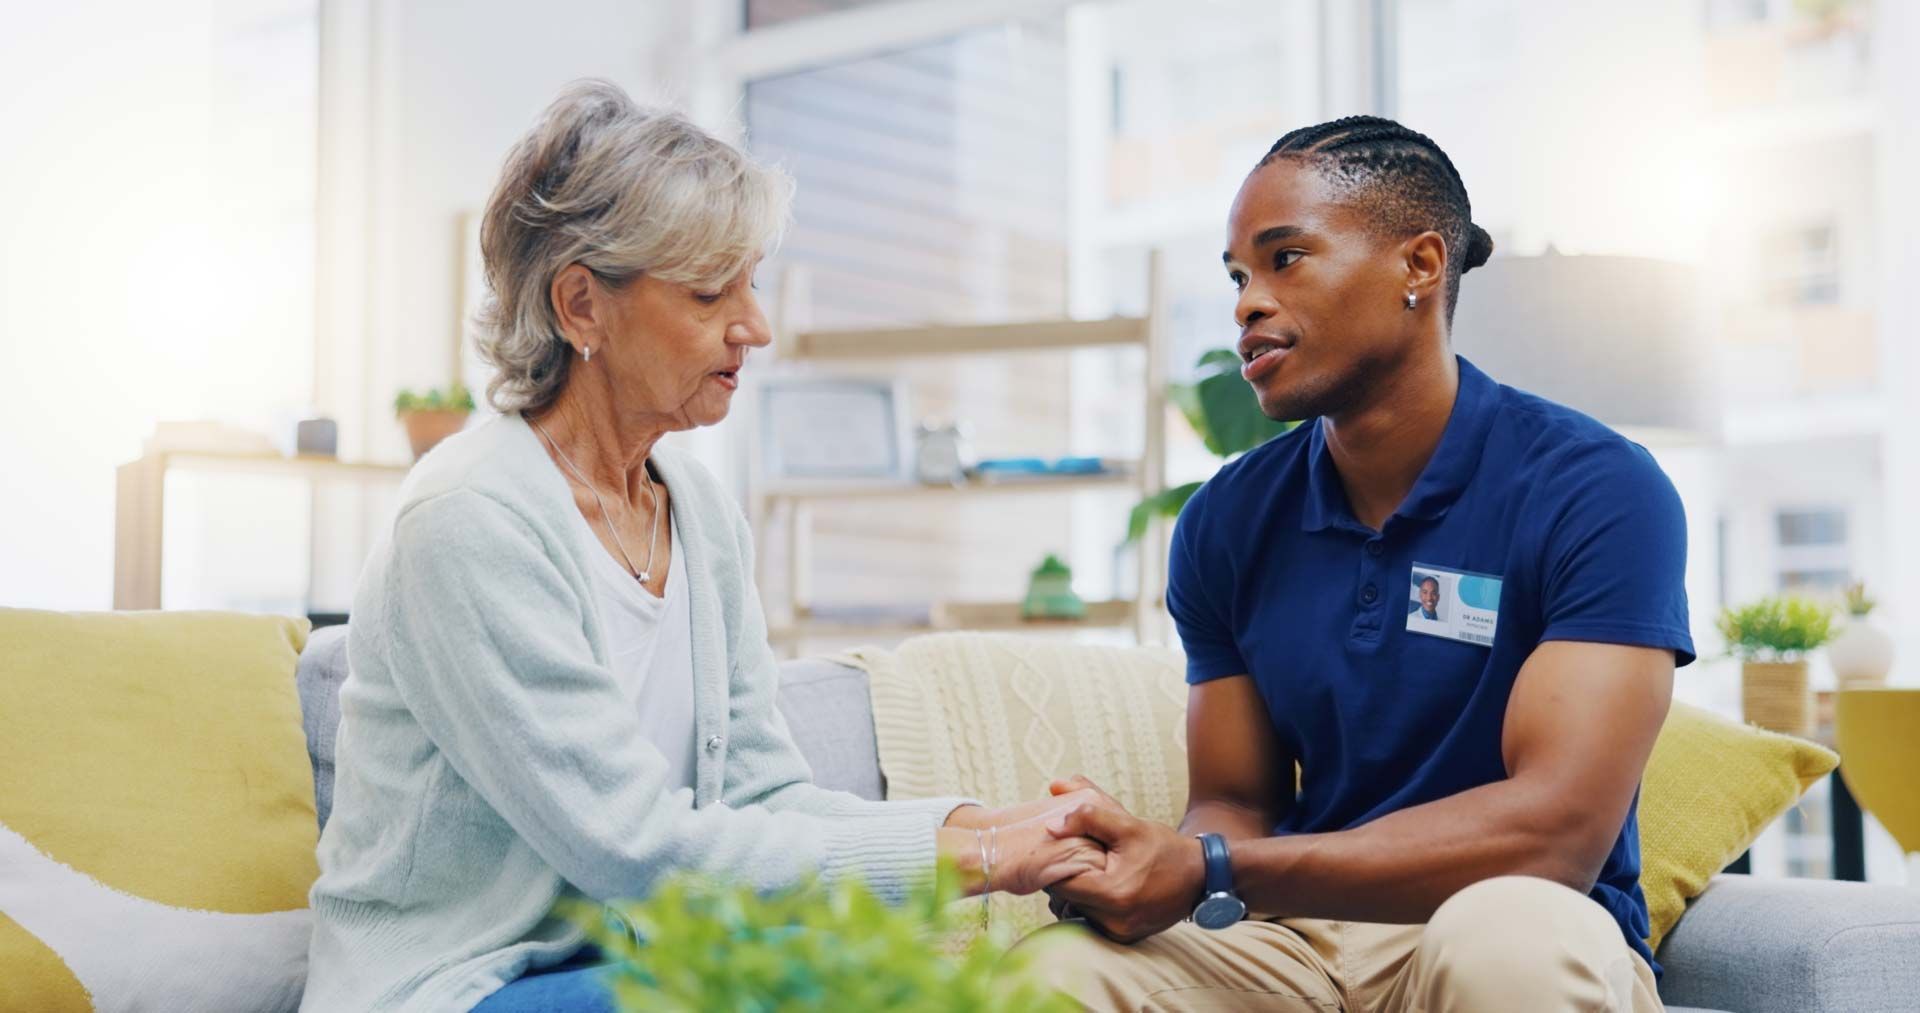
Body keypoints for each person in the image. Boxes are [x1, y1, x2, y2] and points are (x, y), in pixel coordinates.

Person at [301, 80, 1105, 1013]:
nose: (754, 326)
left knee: (878, 976)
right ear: (581, 306)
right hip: (458, 982)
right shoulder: (469, 520)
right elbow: (634, 847)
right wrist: (985, 856)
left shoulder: (700, 512)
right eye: (708, 292)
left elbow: (763, 796)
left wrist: (1008, 823)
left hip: (626, 963)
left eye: (750, 283)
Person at [1022, 116, 1693, 1012]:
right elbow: (1234, 802)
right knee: (1055, 973)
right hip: (1298, 935)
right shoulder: (1227, 519)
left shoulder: (1596, 489)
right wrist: (1148, 867)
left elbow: (1555, 833)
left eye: (1285, 258)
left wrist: (1213, 868)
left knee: (1504, 946)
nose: (1247, 304)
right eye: (1238, 276)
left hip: (1517, 909)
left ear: (1420, 265)